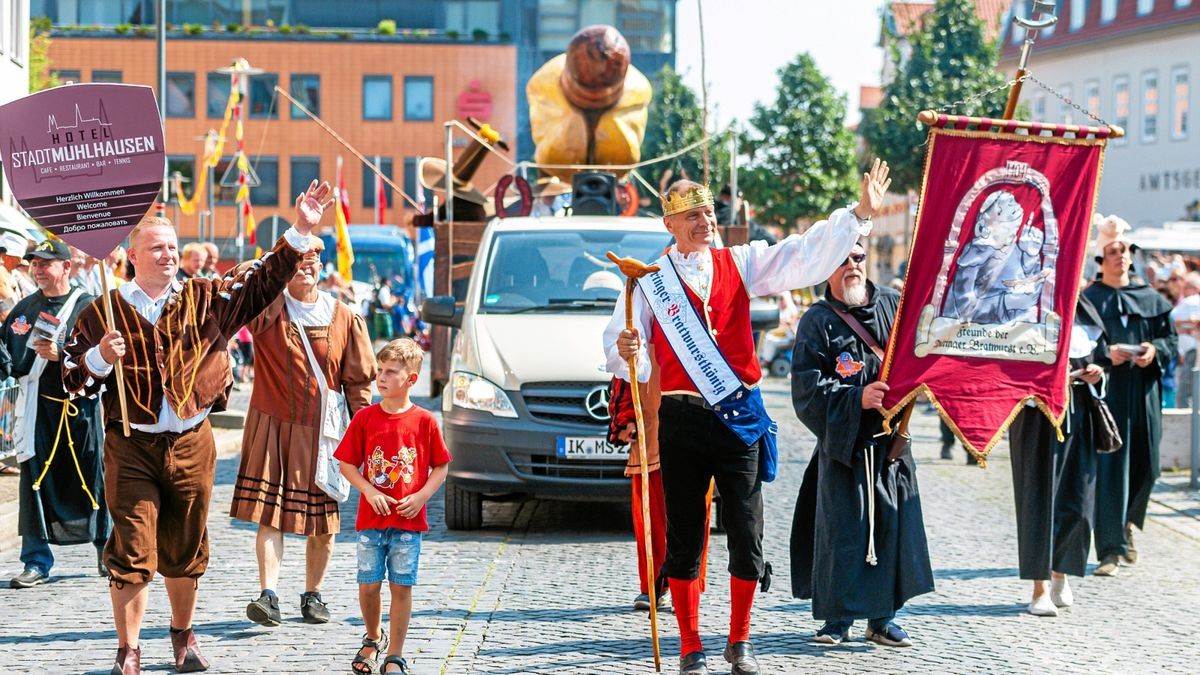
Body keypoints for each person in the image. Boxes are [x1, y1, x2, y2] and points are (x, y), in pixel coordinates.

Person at [604, 161, 887, 675]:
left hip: (738, 420)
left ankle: (739, 641)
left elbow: (801, 254)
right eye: (692, 215)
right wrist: (628, 348)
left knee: (748, 534)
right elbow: (623, 348)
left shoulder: (742, 262)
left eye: (709, 212)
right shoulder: (649, 283)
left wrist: (858, 214)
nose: (705, 221)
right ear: (669, 224)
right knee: (687, 537)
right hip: (682, 421)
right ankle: (690, 645)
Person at [62, 180, 330, 675]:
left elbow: (264, 280)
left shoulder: (207, 297)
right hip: (131, 444)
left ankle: (183, 637)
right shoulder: (103, 309)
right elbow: (71, 379)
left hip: (191, 442)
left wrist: (301, 229)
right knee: (132, 548)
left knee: (186, 547)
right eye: (157, 248)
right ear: (131, 256)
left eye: (173, 247)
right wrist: (99, 356)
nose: (168, 255)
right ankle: (129, 651)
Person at [789, 241, 934, 648]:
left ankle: (882, 619)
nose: (852, 266)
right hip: (844, 447)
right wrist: (857, 397)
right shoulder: (816, 321)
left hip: (890, 446)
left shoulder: (894, 304)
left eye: (857, 258)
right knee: (843, 533)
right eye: (842, 260)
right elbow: (805, 386)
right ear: (827, 268)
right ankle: (837, 620)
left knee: (889, 529)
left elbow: (921, 354)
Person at [230, 238, 377, 627]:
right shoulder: (268, 307)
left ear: (322, 265)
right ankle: (269, 595)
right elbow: (238, 286)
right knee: (270, 516)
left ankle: (313, 594)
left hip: (322, 433)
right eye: (296, 260)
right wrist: (275, 258)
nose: (304, 267)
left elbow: (358, 384)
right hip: (272, 426)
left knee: (324, 522)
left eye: (311, 259)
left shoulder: (343, 316)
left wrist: (363, 435)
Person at [335, 339, 451, 675]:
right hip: (371, 521)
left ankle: (395, 655)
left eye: (390, 372)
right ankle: (373, 637)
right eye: (379, 371)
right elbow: (346, 464)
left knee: (402, 586)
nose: (381, 378)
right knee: (368, 585)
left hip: (408, 524)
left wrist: (421, 497)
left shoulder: (425, 421)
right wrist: (368, 491)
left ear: (411, 379)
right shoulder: (366, 418)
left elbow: (441, 466)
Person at [0, 239, 107, 588]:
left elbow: (104, 355)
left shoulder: (88, 307)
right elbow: (7, 349)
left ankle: (106, 548)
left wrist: (62, 354)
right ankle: (35, 559)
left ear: (66, 266)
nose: (39, 269)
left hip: (79, 408)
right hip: (38, 409)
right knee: (34, 479)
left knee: (93, 478)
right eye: (35, 263)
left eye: (47, 262)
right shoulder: (24, 309)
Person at [1082, 215, 1177, 576]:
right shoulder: (1090, 299)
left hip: (1145, 391)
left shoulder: (1149, 297)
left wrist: (1154, 349)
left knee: (1147, 466)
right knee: (1110, 470)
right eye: (1113, 251)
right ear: (1101, 259)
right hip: (1109, 394)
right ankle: (1109, 549)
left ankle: (1126, 524)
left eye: (1125, 250)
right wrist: (1108, 355)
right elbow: (1080, 346)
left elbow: (1169, 340)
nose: (1121, 256)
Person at [1007, 294, 1108, 616]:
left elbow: (1101, 357)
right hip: (1036, 415)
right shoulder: (1024, 307)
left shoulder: (1085, 310)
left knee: (1079, 501)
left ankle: (1060, 571)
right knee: (1038, 499)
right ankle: (1039, 586)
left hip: (1079, 413)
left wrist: (1096, 372)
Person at [607, 347, 669, 612]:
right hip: (651, 439)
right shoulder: (639, 318)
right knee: (651, 522)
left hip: (695, 438)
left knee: (692, 521)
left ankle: (684, 587)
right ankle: (653, 585)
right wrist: (626, 421)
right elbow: (624, 374)